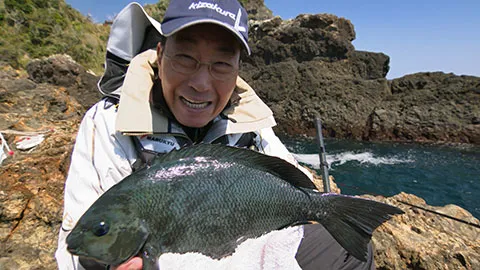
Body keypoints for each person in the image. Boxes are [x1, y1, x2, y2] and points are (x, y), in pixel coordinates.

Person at [55, 1, 375, 269]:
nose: (201, 84)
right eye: (185, 58)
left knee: (346, 252)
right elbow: (74, 245)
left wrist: (319, 206)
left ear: (237, 69)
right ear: (160, 53)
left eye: (221, 64)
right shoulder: (107, 123)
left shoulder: (251, 122)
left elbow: (291, 185)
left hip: (241, 256)